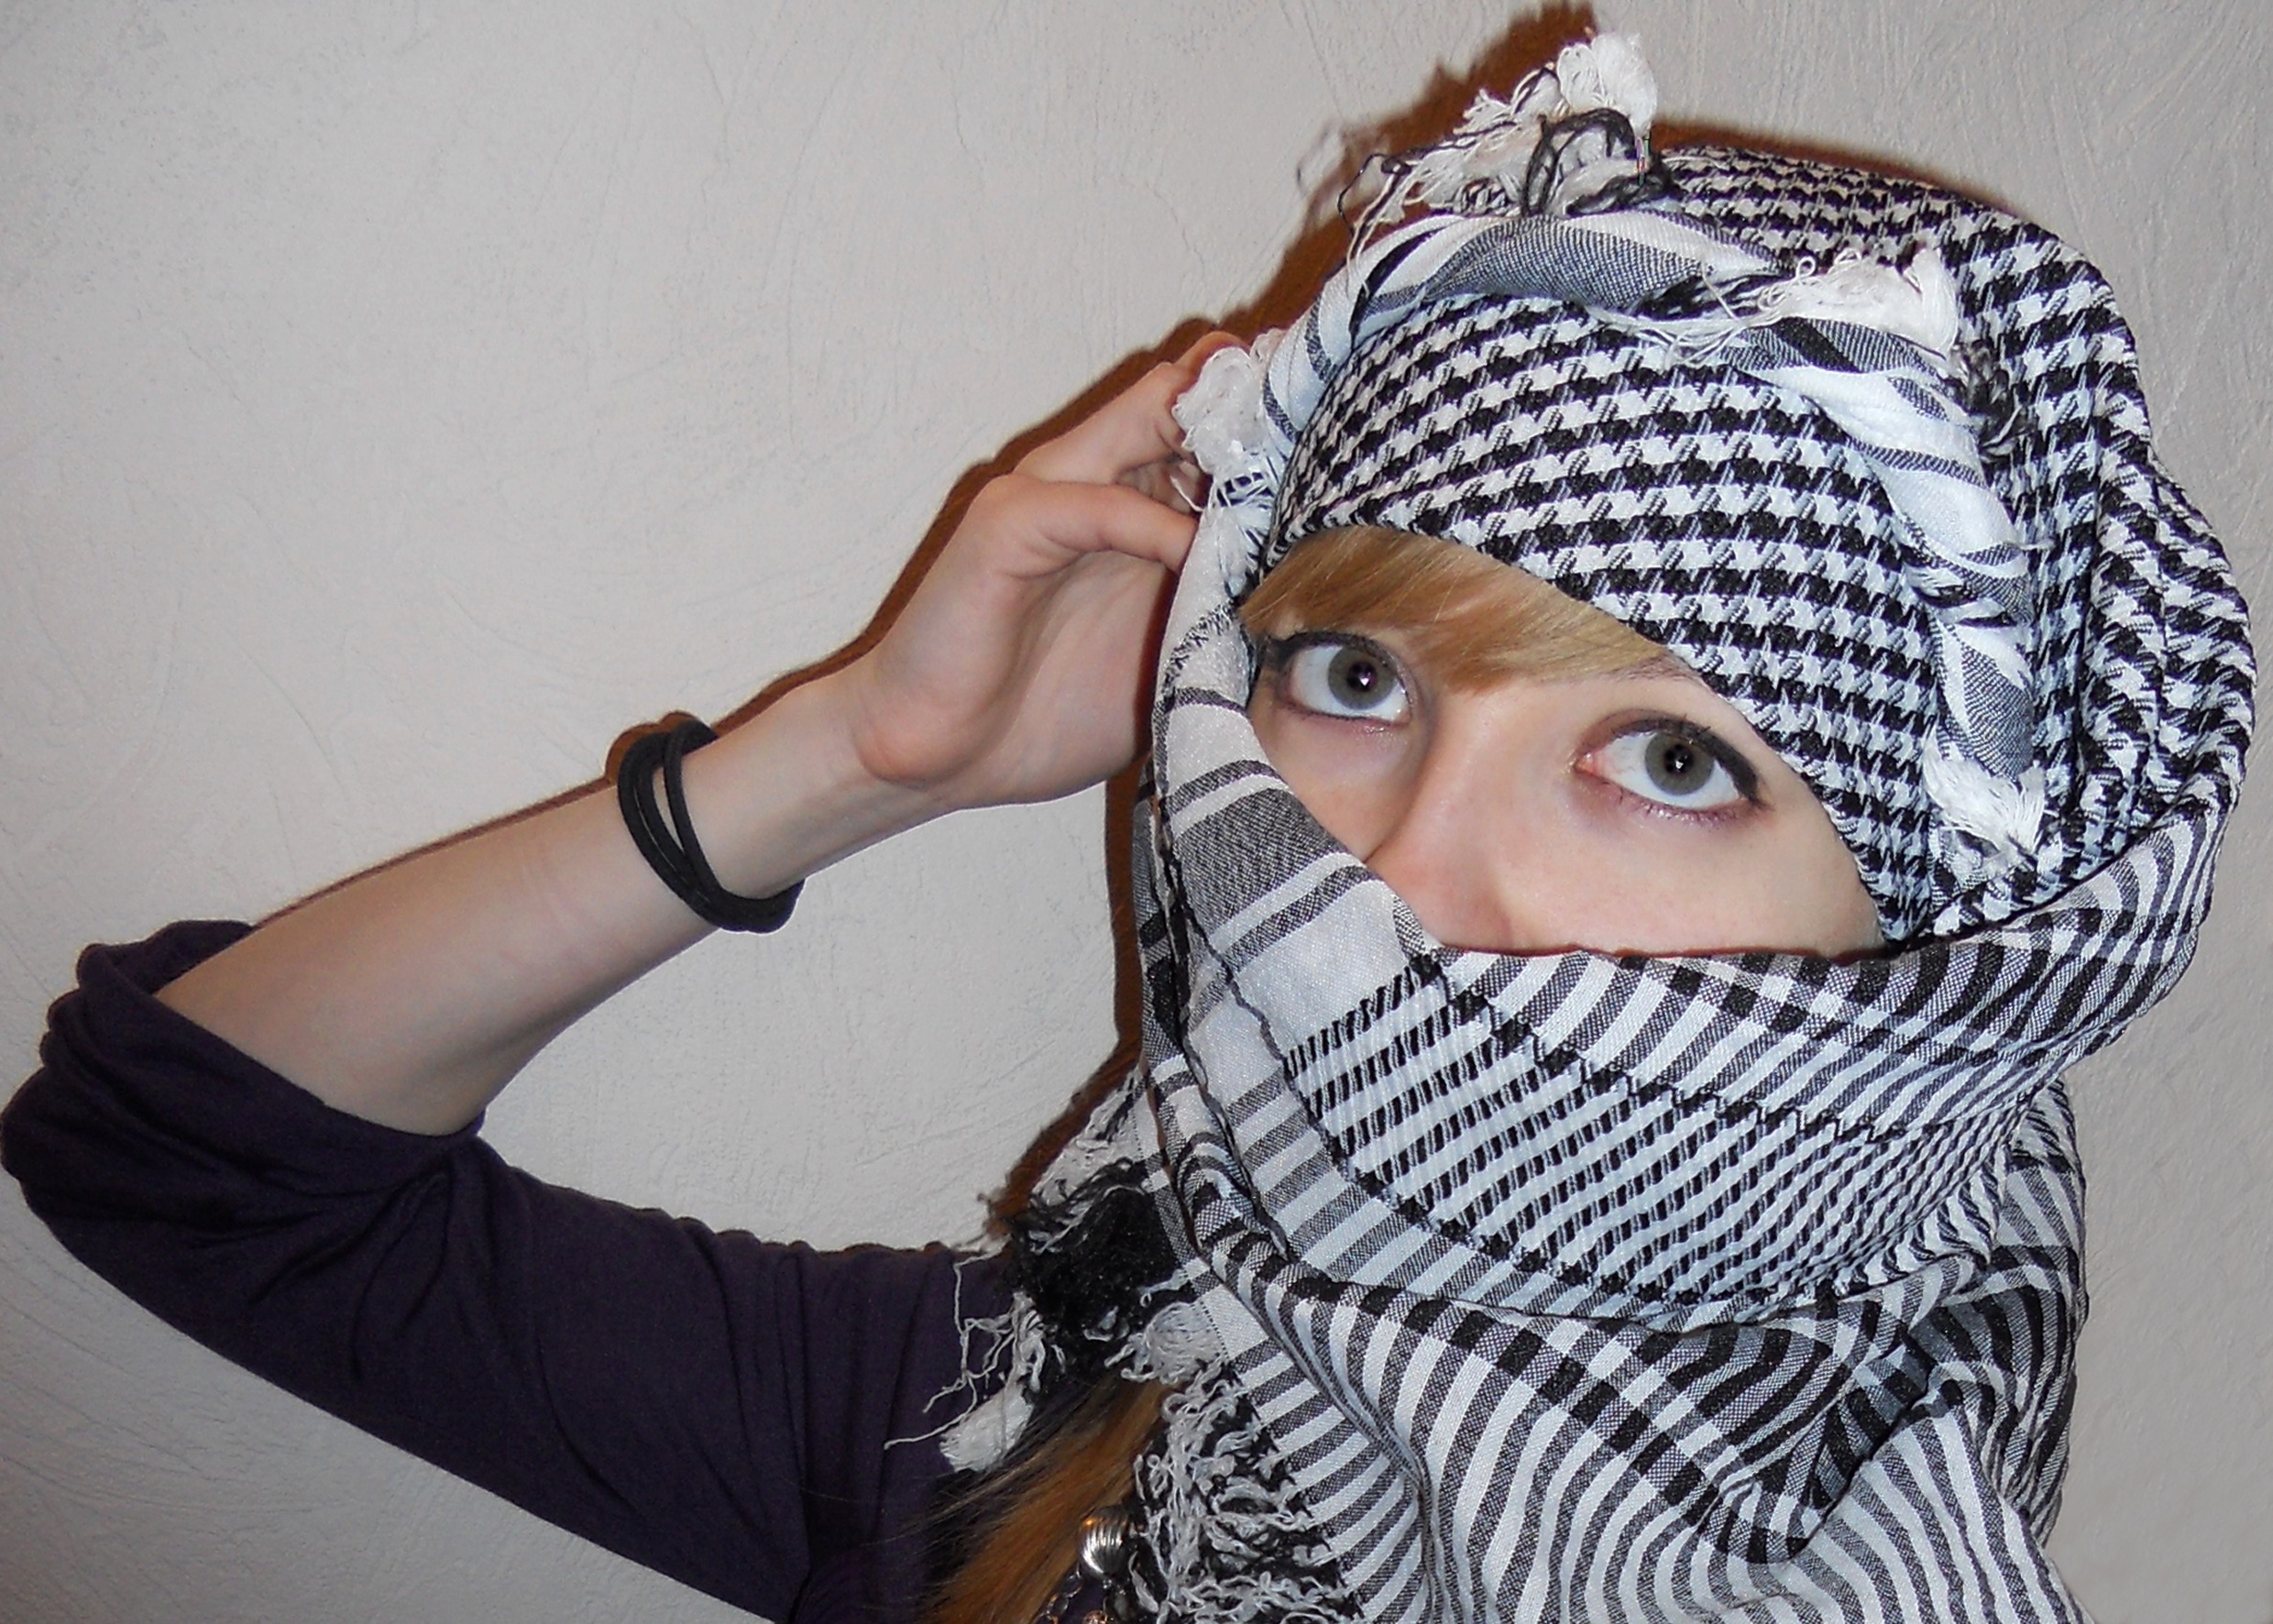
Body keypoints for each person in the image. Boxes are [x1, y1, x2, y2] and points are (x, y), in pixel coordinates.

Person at [4, 36, 2251, 1624]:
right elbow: (183, 1156)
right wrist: (865, 750)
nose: (1395, 877)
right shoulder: (1060, 1414)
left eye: (1670, 760)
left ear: (1945, 945)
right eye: (1354, 681)